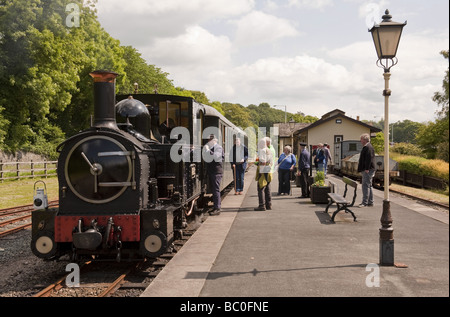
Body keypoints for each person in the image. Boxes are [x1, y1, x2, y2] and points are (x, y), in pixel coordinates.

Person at [204, 134, 224, 215]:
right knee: (214, 190)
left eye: (209, 140)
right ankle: (215, 207)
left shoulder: (218, 148)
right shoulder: (212, 148)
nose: (208, 142)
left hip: (216, 172)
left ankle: (217, 208)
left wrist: (208, 151)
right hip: (212, 171)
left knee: (216, 190)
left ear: (214, 140)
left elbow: (216, 157)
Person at [254, 138, 273, 211]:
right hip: (268, 170)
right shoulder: (269, 150)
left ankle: (262, 205)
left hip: (263, 170)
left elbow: (263, 162)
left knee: (260, 188)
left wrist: (261, 172)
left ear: (262, 144)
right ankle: (269, 204)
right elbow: (271, 162)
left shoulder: (262, 151)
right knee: (267, 187)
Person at [357, 133, 375, 207]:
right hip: (369, 169)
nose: (360, 141)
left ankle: (365, 202)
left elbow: (369, 159)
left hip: (367, 170)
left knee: (365, 186)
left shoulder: (368, 147)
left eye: (361, 139)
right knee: (369, 185)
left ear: (364, 140)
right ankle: (370, 201)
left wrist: (367, 168)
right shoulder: (368, 147)